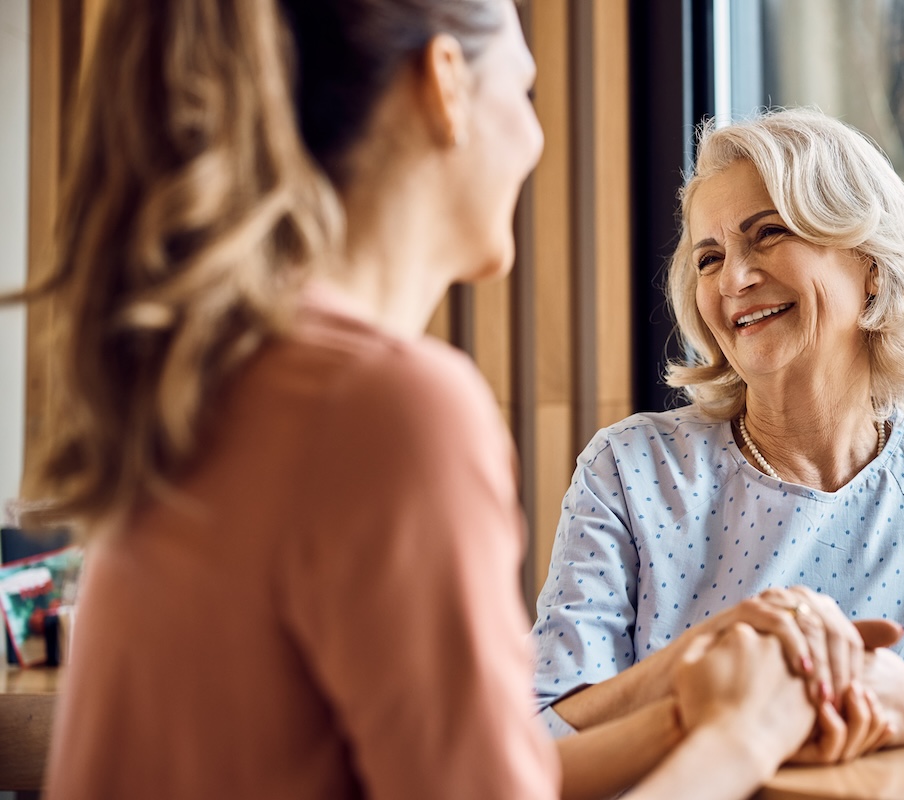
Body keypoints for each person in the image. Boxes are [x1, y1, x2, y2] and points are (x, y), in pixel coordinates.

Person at [7, 2, 830, 798]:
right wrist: (742, 740)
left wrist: (689, 706)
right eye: (526, 92)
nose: (538, 139)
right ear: (448, 85)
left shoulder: (222, 379)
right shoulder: (390, 410)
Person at [531, 107, 904, 755]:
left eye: (767, 233)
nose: (733, 280)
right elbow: (540, 735)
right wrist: (704, 661)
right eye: (709, 257)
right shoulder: (630, 469)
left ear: (870, 265)